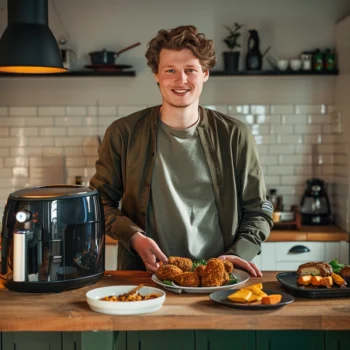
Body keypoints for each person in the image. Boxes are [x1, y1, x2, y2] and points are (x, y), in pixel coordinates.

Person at [89, 25, 273, 277]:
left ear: (205, 73)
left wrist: (238, 254)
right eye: (170, 70)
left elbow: (258, 209)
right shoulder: (124, 132)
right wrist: (132, 236)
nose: (181, 80)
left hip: (218, 278)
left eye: (190, 70)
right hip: (146, 277)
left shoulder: (234, 134)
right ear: (156, 74)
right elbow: (98, 202)